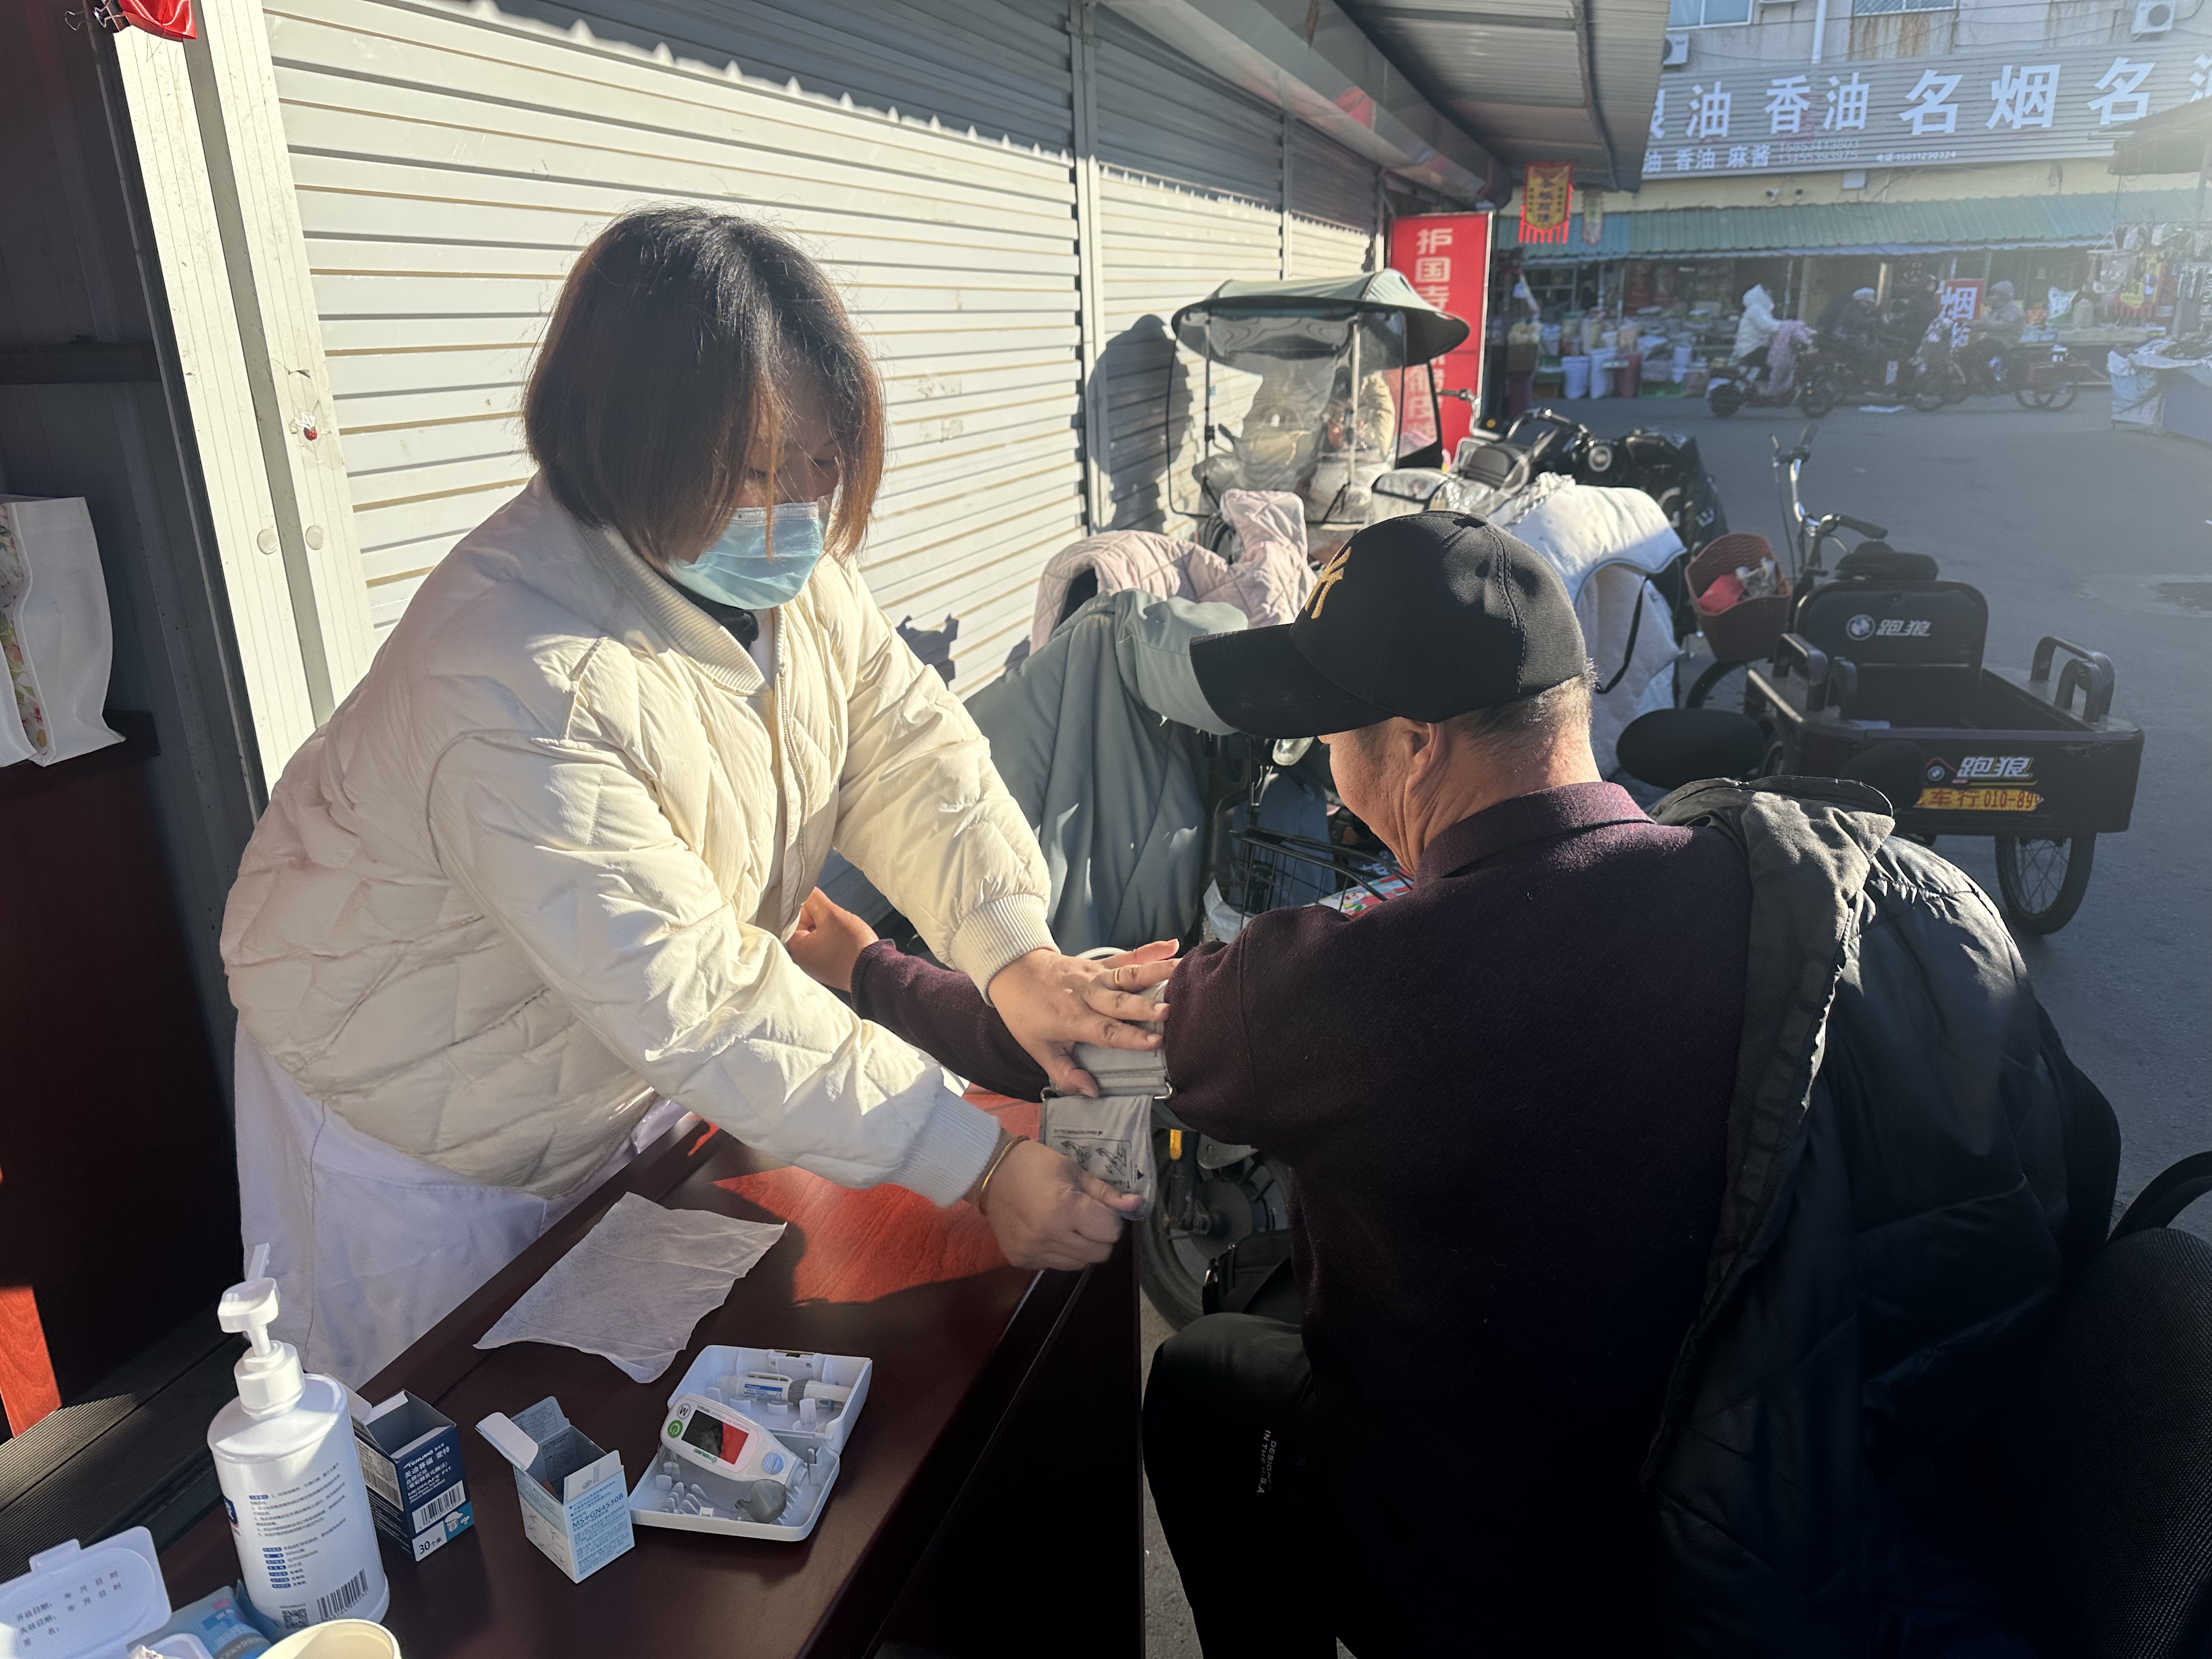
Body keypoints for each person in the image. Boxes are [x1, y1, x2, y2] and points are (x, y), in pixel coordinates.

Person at [786, 510, 2118, 1655]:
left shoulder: (1359, 988)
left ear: (1416, 746)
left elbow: (1065, 1035)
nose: (1325, 771)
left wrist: (861, 965)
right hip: (1806, 1502)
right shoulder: (1787, 881)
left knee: (1202, 1381)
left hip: (1531, 1581)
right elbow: (2084, 1148)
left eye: (1330, 735)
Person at [219, 207, 1170, 1386]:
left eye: (823, 459)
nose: (801, 504)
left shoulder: (783, 572)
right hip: (413, 1113)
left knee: (637, 1389)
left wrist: (1013, 952)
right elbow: (701, 994)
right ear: (627, 445)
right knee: (432, 1419)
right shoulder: (515, 674)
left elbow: (904, 749)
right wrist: (974, 1165)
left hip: (608, 1057)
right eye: (758, 470)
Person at [1733, 282, 1781, 377]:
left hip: (1750, 349)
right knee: (1780, 357)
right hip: (1752, 349)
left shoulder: (1757, 310)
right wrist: (1786, 326)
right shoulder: (1756, 310)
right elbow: (1768, 326)